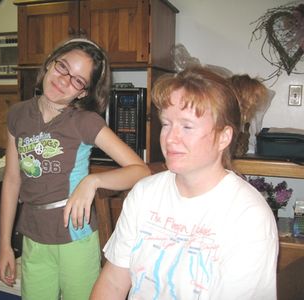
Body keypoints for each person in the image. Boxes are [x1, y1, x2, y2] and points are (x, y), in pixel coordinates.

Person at [90, 66, 278, 299]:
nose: (170, 138)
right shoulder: (145, 193)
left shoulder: (249, 217)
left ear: (223, 137)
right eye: (166, 124)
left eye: (187, 126)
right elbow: (112, 284)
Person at [0, 38, 151, 300]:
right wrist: (4, 245)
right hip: (34, 236)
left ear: (83, 93)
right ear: (49, 63)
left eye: (78, 80)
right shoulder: (17, 115)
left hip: (76, 238)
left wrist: (92, 182)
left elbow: (140, 170)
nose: (64, 80)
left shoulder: (85, 121)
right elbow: (11, 181)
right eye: (63, 67)